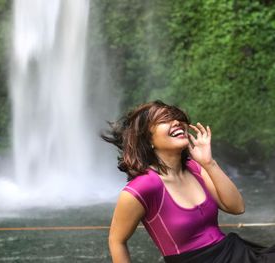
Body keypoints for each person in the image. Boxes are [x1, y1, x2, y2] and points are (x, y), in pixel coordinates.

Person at [101, 100, 275, 263]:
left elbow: (237, 207)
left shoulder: (195, 167)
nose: (176, 122)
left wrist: (209, 163)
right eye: (164, 120)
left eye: (176, 117)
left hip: (233, 253)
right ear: (148, 140)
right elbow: (116, 240)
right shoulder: (142, 187)